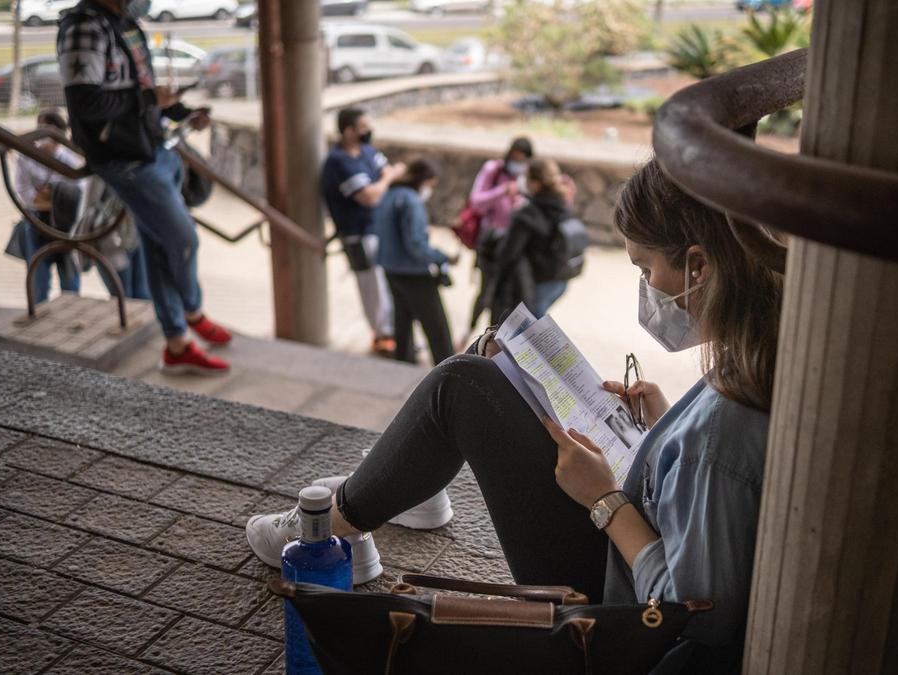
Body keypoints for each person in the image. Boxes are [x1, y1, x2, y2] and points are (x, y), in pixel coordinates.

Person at [246, 158, 786, 673]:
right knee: (490, 376)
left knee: (463, 385)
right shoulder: (763, 354)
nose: (646, 290)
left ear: (699, 264)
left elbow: (685, 616)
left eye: (646, 269)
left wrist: (604, 501)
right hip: (634, 544)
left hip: (617, 614)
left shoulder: (720, 434)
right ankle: (396, 486)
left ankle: (329, 529)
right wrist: (660, 429)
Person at [58, 0, 232, 375]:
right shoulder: (85, 27)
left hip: (153, 149)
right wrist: (152, 99)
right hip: (126, 160)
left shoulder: (126, 25)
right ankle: (193, 311)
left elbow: (141, 92)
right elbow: (85, 102)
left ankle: (177, 343)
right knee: (184, 239)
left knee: (158, 247)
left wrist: (180, 113)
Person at [321, 107, 406, 358]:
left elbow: (388, 170)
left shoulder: (366, 152)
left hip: (376, 230)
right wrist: (385, 181)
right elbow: (368, 196)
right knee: (372, 286)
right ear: (348, 131)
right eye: (362, 127)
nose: (368, 132)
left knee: (384, 284)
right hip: (357, 234)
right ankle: (382, 335)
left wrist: (382, 181)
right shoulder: (339, 162)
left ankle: (390, 332)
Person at [373, 158, 458, 365]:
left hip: (390, 268)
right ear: (424, 180)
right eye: (431, 184)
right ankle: (448, 368)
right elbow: (416, 244)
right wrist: (443, 257)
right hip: (414, 273)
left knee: (402, 321)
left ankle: (403, 361)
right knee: (437, 328)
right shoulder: (411, 201)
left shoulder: (389, 195)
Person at [460, 137, 532, 348]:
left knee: (503, 297)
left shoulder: (525, 178)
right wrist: (501, 191)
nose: (517, 163)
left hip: (511, 248)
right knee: (485, 292)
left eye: (522, 160)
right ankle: (470, 334)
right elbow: (477, 202)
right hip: (490, 245)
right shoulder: (493, 170)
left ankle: (491, 342)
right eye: (514, 158)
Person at [10, 109, 84, 304]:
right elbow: (23, 192)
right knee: (38, 282)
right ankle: (39, 314)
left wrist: (51, 197)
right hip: (36, 223)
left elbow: (77, 194)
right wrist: (55, 198)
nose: (45, 139)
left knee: (70, 282)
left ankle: (71, 312)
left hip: (66, 225)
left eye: (50, 133)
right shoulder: (26, 156)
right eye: (41, 130)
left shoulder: (69, 157)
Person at [489, 158, 577, 320]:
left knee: (527, 335)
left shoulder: (527, 214)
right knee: (536, 325)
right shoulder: (562, 205)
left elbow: (508, 254)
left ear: (535, 183)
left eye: (526, 176)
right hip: (560, 281)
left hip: (536, 285)